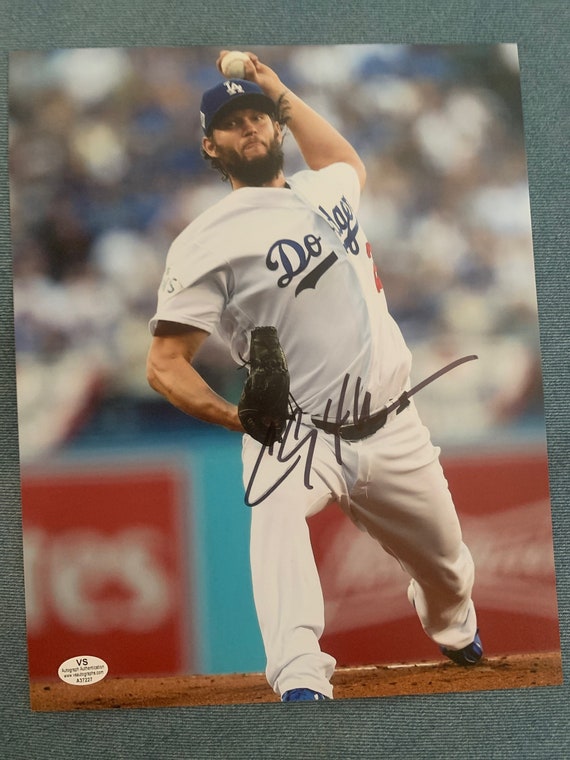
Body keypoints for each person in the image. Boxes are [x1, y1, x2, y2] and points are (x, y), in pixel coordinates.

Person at [146, 50, 482, 703]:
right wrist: (236, 418)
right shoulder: (204, 241)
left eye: (256, 117)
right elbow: (164, 365)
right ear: (210, 146)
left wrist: (276, 88)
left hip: (394, 423)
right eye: (231, 123)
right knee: (274, 520)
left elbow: (346, 162)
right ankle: (299, 676)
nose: (248, 128)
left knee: (448, 571)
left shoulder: (323, 188)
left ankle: (453, 624)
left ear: (276, 126)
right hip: (296, 433)